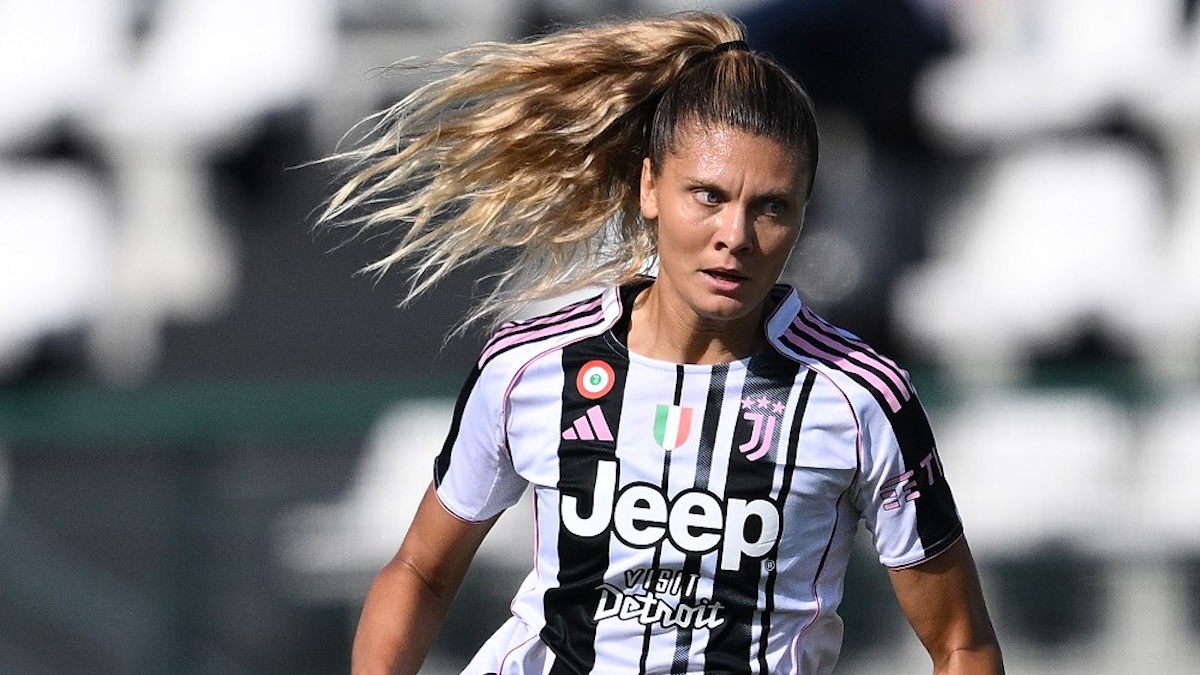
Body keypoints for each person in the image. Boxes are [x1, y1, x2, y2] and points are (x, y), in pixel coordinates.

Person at [319, 11, 1003, 675]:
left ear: (803, 214)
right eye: (708, 196)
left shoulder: (860, 399)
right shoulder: (530, 367)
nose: (735, 235)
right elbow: (420, 570)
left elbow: (960, 645)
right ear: (649, 187)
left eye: (771, 207)